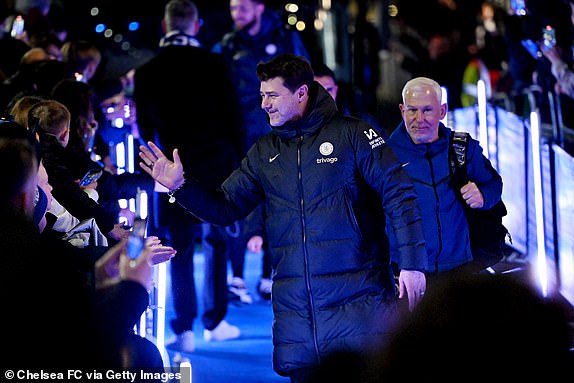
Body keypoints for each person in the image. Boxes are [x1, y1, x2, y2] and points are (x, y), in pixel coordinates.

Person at [139, 53, 427, 382]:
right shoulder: (264, 152)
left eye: (273, 95)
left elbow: (399, 193)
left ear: (302, 93)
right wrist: (180, 186)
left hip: (360, 315)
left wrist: (412, 263)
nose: (264, 104)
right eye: (262, 95)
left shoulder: (355, 135)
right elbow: (225, 207)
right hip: (298, 324)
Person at [133, 0, 244, 353]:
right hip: (217, 166)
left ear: (166, 27)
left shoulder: (147, 71)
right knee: (216, 241)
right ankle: (215, 321)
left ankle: (184, 330)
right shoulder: (215, 64)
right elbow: (234, 120)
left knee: (177, 247)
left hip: (169, 167)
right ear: (196, 26)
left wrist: (153, 170)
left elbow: (144, 130)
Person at [213, 0, 311, 302]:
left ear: (258, 8)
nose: (236, 14)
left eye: (242, 7)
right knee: (238, 198)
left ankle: (271, 273)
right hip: (239, 135)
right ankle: (238, 275)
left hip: (277, 134)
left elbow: (305, 81)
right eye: (232, 8)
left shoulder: (284, 38)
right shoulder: (228, 44)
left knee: (276, 199)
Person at [386, 77, 503, 290]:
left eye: (427, 110)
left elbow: (494, 184)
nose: (419, 118)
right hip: (407, 275)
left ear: (442, 111)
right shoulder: (384, 156)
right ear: (402, 110)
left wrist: (483, 195)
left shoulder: (463, 148)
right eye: (412, 110)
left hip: (460, 269)